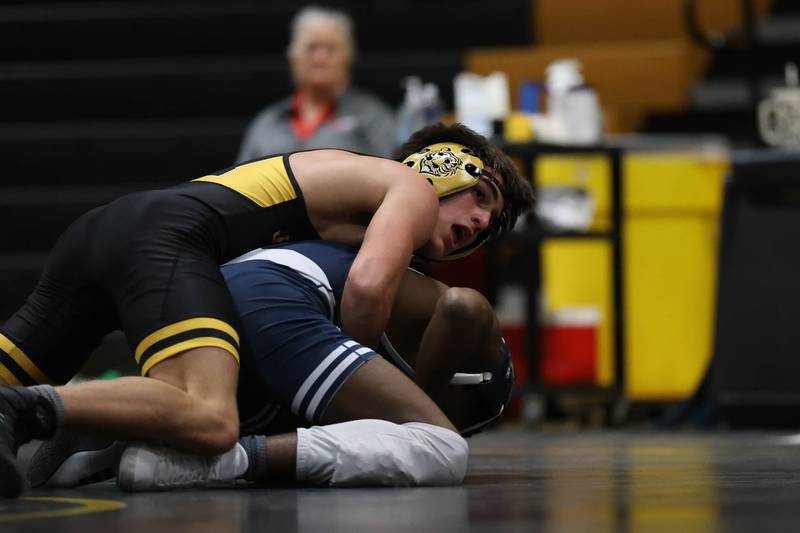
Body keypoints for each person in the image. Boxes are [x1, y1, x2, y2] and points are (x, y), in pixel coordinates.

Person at [0, 123, 535, 498]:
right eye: (483, 196)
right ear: (443, 167)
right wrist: (365, 376)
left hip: (107, 231)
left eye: (495, 223)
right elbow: (368, 292)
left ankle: (80, 416)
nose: (483, 223)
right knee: (210, 418)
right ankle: (43, 409)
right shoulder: (411, 188)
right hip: (167, 240)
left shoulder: (345, 186)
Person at [24, 240, 513, 490]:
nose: (477, 223)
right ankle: (222, 466)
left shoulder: (364, 233)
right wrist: (417, 412)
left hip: (204, 285)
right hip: (277, 301)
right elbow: (463, 307)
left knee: (223, 410)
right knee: (441, 447)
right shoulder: (404, 242)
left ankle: (97, 419)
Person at [236, 6, 396, 161]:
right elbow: (237, 183)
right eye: (311, 48)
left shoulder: (373, 117)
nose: (320, 59)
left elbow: (399, 174)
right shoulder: (267, 123)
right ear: (293, 58)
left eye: (331, 49)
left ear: (348, 58)